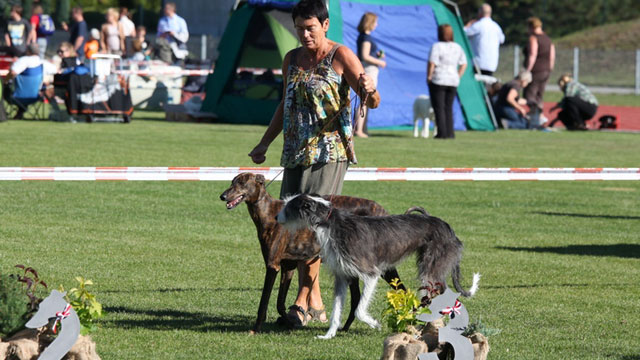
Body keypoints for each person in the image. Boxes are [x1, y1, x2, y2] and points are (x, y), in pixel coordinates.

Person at [247, 0, 379, 328]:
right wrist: (265, 142)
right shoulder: (291, 59)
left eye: (310, 28)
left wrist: (369, 91)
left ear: (325, 25)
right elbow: (285, 104)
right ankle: (314, 301)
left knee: (315, 228)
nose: (305, 35)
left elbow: (371, 100)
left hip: (329, 154)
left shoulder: (342, 56)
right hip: (294, 154)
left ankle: (302, 302)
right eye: (299, 29)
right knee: (290, 226)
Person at [427, 24, 467, 139]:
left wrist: (429, 76)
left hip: (439, 79)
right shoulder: (457, 47)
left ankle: (441, 133)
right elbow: (464, 63)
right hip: (453, 80)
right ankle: (450, 133)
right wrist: (458, 75)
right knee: (448, 107)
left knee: (439, 107)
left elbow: (432, 62)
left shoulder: (437, 46)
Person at [354, 12, 386, 138]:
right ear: (370, 23)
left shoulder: (362, 36)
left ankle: (361, 128)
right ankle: (359, 130)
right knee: (365, 101)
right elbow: (365, 56)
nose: (377, 25)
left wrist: (377, 55)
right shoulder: (366, 38)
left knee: (364, 101)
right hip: (369, 71)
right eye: (375, 22)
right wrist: (380, 62)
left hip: (367, 69)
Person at [523, 17, 555, 127]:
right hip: (546, 70)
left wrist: (528, 70)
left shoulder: (534, 38)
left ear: (531, 27)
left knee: (529, 95)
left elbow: (533, 54)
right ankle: (538, 117)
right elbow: (552, 56)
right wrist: (549, 69)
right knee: (539, 96)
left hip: (536, 70)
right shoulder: (547, 39)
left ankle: (538, 118)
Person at [464, 3, 505, 76]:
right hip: (492, 65)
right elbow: (502, 39)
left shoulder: (478, 25)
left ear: (480, 13)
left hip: (478, 63)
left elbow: (464, 33)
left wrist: (468, 25)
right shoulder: (496, 27)